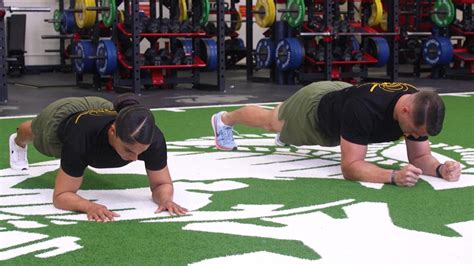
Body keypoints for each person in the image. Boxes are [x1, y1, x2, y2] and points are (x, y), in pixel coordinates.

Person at [211, 81, 462, 187]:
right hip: (314, 109)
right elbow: (350, 167)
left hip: (344, 99)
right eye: (413, 131)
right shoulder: (363, 111)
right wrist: (393, 176)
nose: (412, 136)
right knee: (272, 121)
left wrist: (440, 169)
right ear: (405, 109)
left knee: (284, 125)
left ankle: (289, 133)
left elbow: (419, 158)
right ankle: (224, 120)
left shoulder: (418, 107)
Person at [9, 93, 187, 222]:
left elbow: (161, 184)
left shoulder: (151, 138)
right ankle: (17, 141)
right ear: (113, 131)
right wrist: (89, 206)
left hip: (102, 109)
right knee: (34, 131)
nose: (134, 159)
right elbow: (61, 195)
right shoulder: (81, 140)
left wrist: (165, 199)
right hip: (63, 119)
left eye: (141, 152)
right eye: (128, 150)